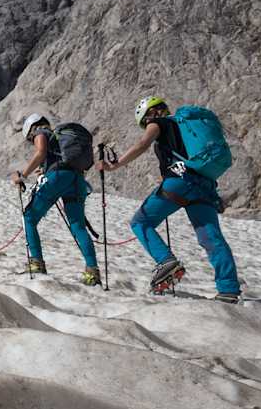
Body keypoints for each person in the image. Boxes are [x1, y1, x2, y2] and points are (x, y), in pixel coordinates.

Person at [96, 97, 242, 303]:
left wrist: (114, 165)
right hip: (204, 185)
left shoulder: (159, 123)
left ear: (150, 115)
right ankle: (228, 290)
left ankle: (166, 262)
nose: (146, 125)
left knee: (140, 222)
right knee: (211, 237)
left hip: (179, 182)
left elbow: (142, 144)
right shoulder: (185, 127)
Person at [14, 114, 100, 285]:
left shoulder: (41, 132)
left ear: (31, 128)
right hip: (77, 180)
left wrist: (22, 176)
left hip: (58, 176)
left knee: (29, 217)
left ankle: (36, 262)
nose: (32, 140)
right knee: (78, 226)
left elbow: (40, 152)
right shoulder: (60, 138)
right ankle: (92, 271)